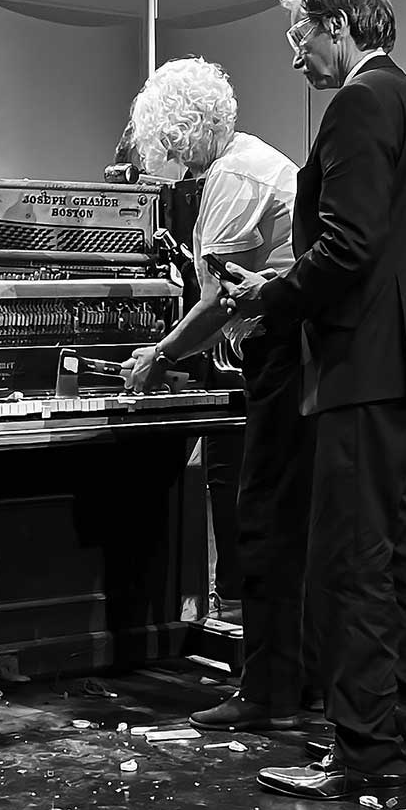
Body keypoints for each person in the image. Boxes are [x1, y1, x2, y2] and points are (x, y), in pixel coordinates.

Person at [223, 0, 406, 800]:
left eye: (300, 38)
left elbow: (350, 246)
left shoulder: (359, 104)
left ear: (337, 25)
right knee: (401, 559)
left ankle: (363, 754)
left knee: (355, 564)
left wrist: (272, 295)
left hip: (364, 363)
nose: (297, 59)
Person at [115, 58, 315, 731]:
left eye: (162, 144)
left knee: (261, 526)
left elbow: (217, 303)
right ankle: (295, 679)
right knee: (284, 527)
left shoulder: (233, 177)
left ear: (179, 131)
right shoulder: (250, 162)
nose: (162, 158)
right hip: (294, 355)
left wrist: (158, 354)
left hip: (288, 360)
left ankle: (266, 691)